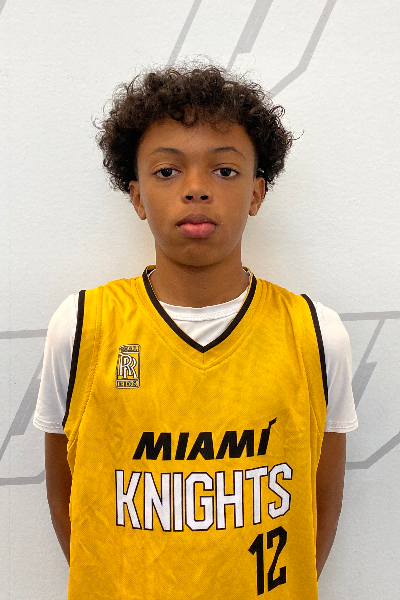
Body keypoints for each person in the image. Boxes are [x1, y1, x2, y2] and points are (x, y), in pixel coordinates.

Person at [34, 64, 358, 599]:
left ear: (256, 194)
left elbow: (317, 511)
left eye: (224, 171)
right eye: (167, 171)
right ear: (137, 196)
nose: (196, 189)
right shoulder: (82, 325)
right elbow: (71, 499)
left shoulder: (317, 334)